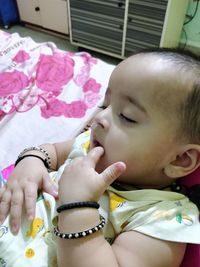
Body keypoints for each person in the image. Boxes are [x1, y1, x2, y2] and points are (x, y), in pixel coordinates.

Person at [0, 47, 200, 267]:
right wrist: (32, 160)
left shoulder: (163, 219)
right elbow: (53, 152)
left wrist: (78, 207)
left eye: (127, 117)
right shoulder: (88, 146)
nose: (100, 117)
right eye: (104, 105)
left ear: (179, 159)